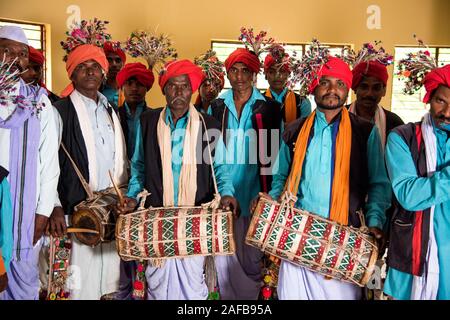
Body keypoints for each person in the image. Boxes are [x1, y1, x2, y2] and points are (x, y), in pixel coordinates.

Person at [266, 56, 391, 300]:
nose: (332, 89)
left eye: (340, 83)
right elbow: (280, 177)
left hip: (344, 240)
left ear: (347, 90)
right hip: (296, 235)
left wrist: (374, 220)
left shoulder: (365, 132)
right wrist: (273, 208)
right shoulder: (294, 130)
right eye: (325, 82)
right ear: (314, 86)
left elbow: (378, 184)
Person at [116, 59, 238, 300]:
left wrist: (226, 194)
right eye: (173, 85)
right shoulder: (148, 122)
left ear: (192, 90)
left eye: (184, 86)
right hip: (157, 216)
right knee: (157, 280)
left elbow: (220, 168)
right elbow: (139, 165)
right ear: (164, 90)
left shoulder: (208, 124)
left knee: (193, 284)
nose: (179, 91)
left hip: (195, 219)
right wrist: (131, 197)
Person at [52, 43, 128, 300]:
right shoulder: (59, 111)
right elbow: (48, 161)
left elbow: (121, 158)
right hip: (76, 211)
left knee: (110, 283)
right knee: (79, 285)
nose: (90, 72)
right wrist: (53, 205)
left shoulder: (111, 109)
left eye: (95, 66)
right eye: (82, 67)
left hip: (111, 210)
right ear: (72, 74)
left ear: (103, 72)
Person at [209, 47, 282, 299]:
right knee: (223, 256)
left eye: (245, 71)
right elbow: (208, 154)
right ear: (227, 74)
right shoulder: (216, 107)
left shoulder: (269, 108)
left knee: (253, 258)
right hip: (223, 194)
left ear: (254, 74)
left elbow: (274, 158)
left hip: (255, 193)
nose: (239, 76)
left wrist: (268, 195)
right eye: (234, 70)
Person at [0, 25, 60, 300]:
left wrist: (44, 211)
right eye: (5, 50)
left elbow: (49, 161)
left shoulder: (40, 102)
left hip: (26, 207)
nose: (14, 58)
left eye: (21, 53)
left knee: (23, 274)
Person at [383, 64, 450, 300]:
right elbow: (409, 195)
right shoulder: (402, 137)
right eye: (441, 101)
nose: (447, 113)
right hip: (412, 261)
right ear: (429, 98)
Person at [349, 60, 404, 147]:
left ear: (384, 91)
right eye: (364, 87)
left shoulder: (394, 123)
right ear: (355, 89)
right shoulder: (339, 117)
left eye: (376, 88)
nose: (369, 94)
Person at [116, 62, 154, 158]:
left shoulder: (155, 117)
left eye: (140, 84)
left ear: (147, 88)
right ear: (122, 88)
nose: (134, 88)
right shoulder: (113, 115)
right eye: (129, 83)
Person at [263, 52, 311, 123]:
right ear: (266, 75)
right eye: (272, 72)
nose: (277, 76)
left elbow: (304, 131)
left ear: (288, 74)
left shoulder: (302, 103)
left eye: (282, 71)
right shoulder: (257, 101)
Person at [101, 41, 126, 107]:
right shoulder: (97, 90)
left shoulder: (130, 90)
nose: (114, 64)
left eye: (118, 60)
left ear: (123, 64)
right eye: (109, 60)